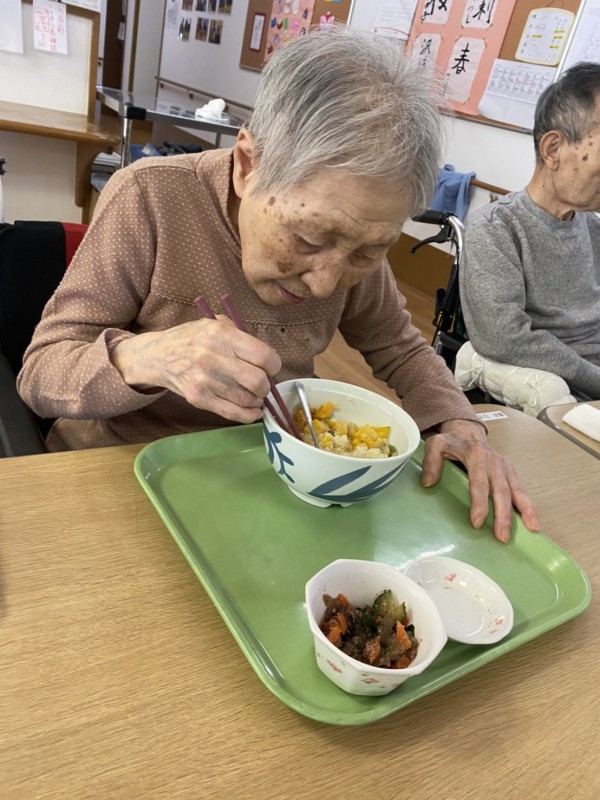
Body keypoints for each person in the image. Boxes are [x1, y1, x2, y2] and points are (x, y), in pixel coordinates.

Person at [17, 26, 537, 543]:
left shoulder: (352, 239)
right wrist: (148, 357)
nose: (326, 282)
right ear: (248, 165)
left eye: (367, 251)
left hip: (261, 484)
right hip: (117, 478)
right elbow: (40, 375)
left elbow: (400, 349)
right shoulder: (150, 198)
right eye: (309, 238)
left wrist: (460, 424)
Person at [459, 62, 600, 408]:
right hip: (561, 384)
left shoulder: (592, 227)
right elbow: (503, 337)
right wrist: (595, 380)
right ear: (553, 150)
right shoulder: (497, 228)